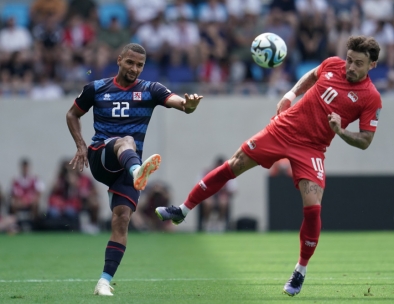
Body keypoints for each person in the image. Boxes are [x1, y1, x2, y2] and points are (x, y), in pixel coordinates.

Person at [156, 36, 382, 297]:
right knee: (234, 165)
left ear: (372, 65)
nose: (350, 67)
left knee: (313, 207)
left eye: (358, 64)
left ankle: (300, 270)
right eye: (349, 60)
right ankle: (183, 209)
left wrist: (340, 131)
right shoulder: (333, 64)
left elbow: (365, 140)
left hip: (312, 148)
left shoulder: (370, 98)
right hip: (283, 129)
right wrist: (290, 94)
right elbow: (312, 74)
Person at [66, 43, 203, 296]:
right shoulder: (96, 88)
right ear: (119, 60)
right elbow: (72, 114)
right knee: (125, 140)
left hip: (130, 169)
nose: (135, 69)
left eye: (140, 65)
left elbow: (178, 102)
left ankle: (104, 282)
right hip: (102, 157)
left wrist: (188, 105)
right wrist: (81, 145)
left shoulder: (151, 89)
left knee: (121, 219)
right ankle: (138, 171)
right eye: (130, 62)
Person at [198, 156, 237, 232]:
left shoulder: (229, 175)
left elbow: (233, 189)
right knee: (208, 202)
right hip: (208, 195)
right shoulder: (206, 173)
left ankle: (219, 222)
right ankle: (208, 222)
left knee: (224, 201)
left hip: (221, 196)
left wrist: (224, 189)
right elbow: (198, 185)